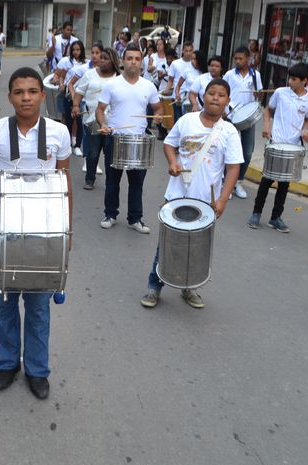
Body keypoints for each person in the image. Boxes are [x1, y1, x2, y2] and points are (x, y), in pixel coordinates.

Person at [0, 67, 72, 400]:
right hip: (3, 228)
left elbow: (64, 183)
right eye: (19, 92)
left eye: (32, 91)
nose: (26, 98)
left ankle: (37, 370)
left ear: (42, 95)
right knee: (6, 301)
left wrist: (67, 232)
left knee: (39, 305)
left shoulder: (59, 133)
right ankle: (7, 363)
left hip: (45, 232)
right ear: (9, 96)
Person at [140, 79, 243, 310]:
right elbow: (169, 144)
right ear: (203, 96)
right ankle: (154, 286)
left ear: (227, 101)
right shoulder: (187, 120)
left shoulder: (229, 132)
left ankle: (189, 286)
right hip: (177, 195)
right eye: (212, 93)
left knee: (197, 247)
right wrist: (173, 161)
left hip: (206, 201)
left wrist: (223, 199)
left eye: (221, 95)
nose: (215, 98)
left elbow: (233, 168)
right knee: (167, 244)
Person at [95, 43, 165, 234]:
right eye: (129, 58)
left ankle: (135, 219)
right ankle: (110, 214)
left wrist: (158, 116)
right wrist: (103, 124)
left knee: (137, 183)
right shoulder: (112, 85)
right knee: (112, 181)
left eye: (137, 59)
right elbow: (100, 110)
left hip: (139, 140)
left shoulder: (149, 86)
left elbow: (158, 108)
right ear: (123, 61)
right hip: (115, 138)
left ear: (141, 62)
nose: (133, 62)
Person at [247, 62, 308, 235]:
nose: (290, 81)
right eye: (289, 78)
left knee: (284, 184)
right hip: (275, 141)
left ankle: (275, 217)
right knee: (267, 180)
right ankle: (256, 213)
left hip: (293, 146)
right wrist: (266, 126)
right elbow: (268, 110)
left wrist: (305, 131)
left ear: (304, 80)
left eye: (294, 79)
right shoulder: (280, 92)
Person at [73, 44, 118, 190]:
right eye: (101, 57)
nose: (102, 60)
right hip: (92, 120)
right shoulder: (89, 74)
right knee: (92, 153)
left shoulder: (119, 78)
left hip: (112, 123)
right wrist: (75, 106)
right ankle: (89, 179)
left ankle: (110, 182)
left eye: (106, 58)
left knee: (110, 154)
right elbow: (79, 92)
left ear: (113, 61)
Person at [223, 45, 263, 198]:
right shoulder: (229, 74)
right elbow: (223, 91)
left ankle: (238, 182)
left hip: (247, 118)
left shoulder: (255, 75)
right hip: (230, 116)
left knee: (247, 151)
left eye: (241, 58)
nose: (238, 61)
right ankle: (225, 182)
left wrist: (259, 95)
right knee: (228, 150)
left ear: (248, 59)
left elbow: (259, 95)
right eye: (236, 59)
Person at [164, 42, 195, 124]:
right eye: (186, 51)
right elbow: (171, 80)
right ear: (182, 51)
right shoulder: (175, 63)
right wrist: (166, 90)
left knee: (188, 121)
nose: (188, 53)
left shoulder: (195, 64)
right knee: (177, 120)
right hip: (177, 96)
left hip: (190, 98)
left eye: (190, 51)